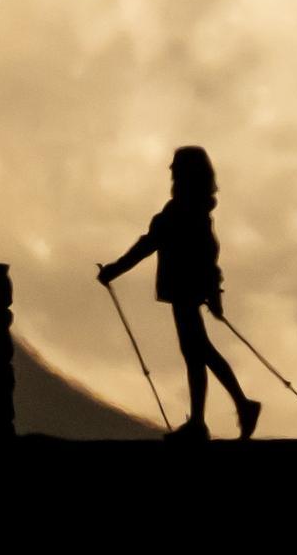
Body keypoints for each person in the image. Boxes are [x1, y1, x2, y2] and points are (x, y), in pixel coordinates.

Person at [98, 147, 261, 442]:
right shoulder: (198, 211)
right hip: (192, 288)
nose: (171, 172)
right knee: (198, 352)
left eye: (176, 168)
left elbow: (148, 245)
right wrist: (213, 291)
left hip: (183, 288)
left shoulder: (179, 211)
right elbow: (209, 253)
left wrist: (114, 270)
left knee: (197, 351)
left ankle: (225, 412)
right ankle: (215, 415)